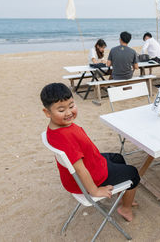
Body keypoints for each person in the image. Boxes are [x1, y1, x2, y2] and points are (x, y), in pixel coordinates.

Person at [41, 83, 140, 222]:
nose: (69, 112)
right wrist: (95, 191)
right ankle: (125, 208)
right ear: (47, 112)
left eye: (71, 106)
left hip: (91, 163)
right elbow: (81, 170)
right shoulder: (65, 137)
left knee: (118, 157)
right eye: (61, 110)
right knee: (133, 173)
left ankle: (122, 196)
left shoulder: (57, 127)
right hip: (90, 175)